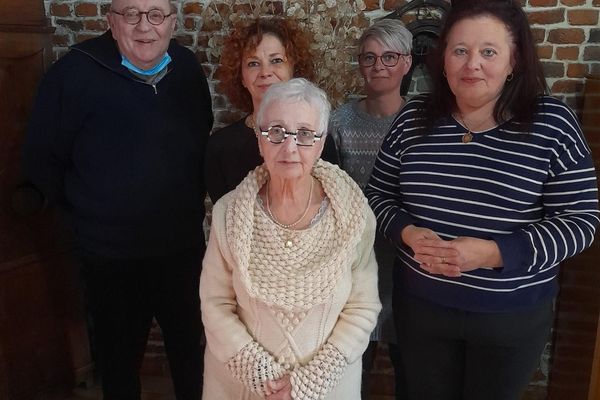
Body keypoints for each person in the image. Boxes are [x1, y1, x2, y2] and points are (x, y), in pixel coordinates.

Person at [365, 1, 599, 399]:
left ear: (514, 60)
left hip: (510, 319)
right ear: (443, 60)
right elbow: (378, 195)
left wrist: (493, 253)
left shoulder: (551, 123)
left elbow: (580, 221)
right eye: (460, 51)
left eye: (488, 52)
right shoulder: (413, 118)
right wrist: (406, 231)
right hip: (421, 310)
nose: (472, 64)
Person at [23, 0, 213, 398]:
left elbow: (198, 143)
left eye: (156, 14)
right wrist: (88, 220)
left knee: (191, 356)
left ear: (173, 22)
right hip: (110, 257)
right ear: (111, 22)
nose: (144, 26)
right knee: (118, 362)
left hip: (180, 249)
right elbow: (44, 160)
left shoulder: (187, 70)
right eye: (131, 14)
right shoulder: (73, 75)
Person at [200, 78, 381, 400]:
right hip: (241, 387)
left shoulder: (354, 214)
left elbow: (362, 307)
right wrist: (261, 376)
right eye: (277, 132)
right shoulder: (230, 213)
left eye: (305, 134)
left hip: (326, 389)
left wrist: (309, 381)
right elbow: (215, 304)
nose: (290, 147)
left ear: (322, 142)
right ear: (259, 138)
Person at [328, 18, 412, 399]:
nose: (379, 66)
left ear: (407, 63)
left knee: (409, 361)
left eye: (390, 57)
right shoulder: (339, 121)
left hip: (407, 259)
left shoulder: (422, 123)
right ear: (359, 64)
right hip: (355, 259)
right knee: (351, 361)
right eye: (369, 57)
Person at [205, 17, 339, 204]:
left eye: (276, 60)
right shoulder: (220, 148)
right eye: (253, 63)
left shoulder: (315, 139)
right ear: (241, 77)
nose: (265, 72)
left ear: (294, 69)